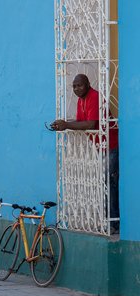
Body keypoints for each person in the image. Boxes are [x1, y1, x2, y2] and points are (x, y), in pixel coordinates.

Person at [51, 74, 119, 234]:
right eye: (74, 86)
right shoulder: (82, 100)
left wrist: (66, 124)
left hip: (111, 145)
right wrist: (64, 123)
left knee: (109, 183)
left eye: (79, 85)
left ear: (88, 84)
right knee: (105, 183)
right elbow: (80, 121)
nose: (76, 89)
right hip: (101, 146)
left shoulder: (94, 97)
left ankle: (114, 222)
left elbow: (90, 123)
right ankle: (108, 220)